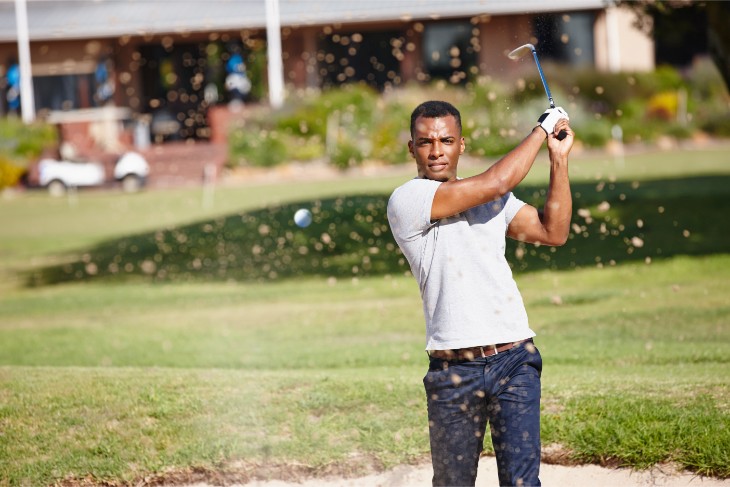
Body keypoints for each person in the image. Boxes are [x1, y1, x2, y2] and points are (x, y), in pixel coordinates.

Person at [387, 100, 573, 487]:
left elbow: (552, 231)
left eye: (446, 140)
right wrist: (542, 128)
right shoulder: (408, 200)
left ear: (461, 145)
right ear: (412, 148)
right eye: (425, 142)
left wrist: (558, 160)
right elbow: (496, 181)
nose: (437, 151)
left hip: (514, 361)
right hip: (453, 371)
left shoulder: (494, 201)